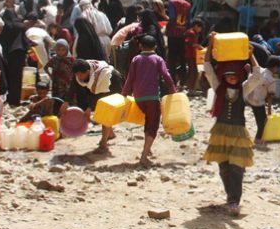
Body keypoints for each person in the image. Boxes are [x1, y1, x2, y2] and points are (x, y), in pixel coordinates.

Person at [202, 33, 256, 216]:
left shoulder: (244, 88)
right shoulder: (218, 87)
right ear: (223, 76)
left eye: (235, 76)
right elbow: (207, 65)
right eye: (228, 76)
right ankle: (230, 196)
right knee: (224, 167)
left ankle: (234, 200)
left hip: (239, 132)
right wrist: (210, 44)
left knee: (237, 167)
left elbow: (258, 75)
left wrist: (250, 55)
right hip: (221, 130)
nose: (232, 79)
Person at [122, 35, 177, 166]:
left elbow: (130, 78)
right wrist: (173, 90)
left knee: (148, 120)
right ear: (155, 47)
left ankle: (148, 149)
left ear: (140, 46)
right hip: (152, 96)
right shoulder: (158, 59)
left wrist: (124, 94)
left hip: (138, 97)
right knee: (153, 125)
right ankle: (144, 157)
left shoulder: (136, 59)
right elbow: (166, 75)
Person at [70, 59, 123, 153]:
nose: (79, 77)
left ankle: (103, 144)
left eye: (81, 75)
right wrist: (66, 101)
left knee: (105, 111)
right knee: (103, 111)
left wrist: (89, 108)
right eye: (77, 75)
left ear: (87, 72)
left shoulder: (102, 75)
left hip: (112, 83)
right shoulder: (81, 71)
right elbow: (73, 85)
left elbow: (99, 95)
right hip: (100, 89)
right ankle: (110, 134)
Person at [244, 55, 279, 145]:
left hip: (248, 98)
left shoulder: (259, 71)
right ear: (275, 67)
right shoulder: (271, 80)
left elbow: (250, 80)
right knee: (263, 121)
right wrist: (269, 109)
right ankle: (258, 139)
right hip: (258, 102)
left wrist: (248, 71)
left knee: (258, 118)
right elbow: (270, 96)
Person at [166, 0, 191, 87]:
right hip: (182, 35)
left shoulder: (172, 2)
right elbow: (189, 21)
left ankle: (173, 80)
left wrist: (167, 28)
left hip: (172, 34)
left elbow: (172, 18)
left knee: (172, 58)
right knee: (182, 58)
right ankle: (183, 80)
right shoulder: (188, 4)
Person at [183, 18, 205, 92]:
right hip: (190, 55)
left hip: (191, 55)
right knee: (193, 72)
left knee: (192, 71)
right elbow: (189, 43)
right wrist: (198, 46)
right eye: (200, 28)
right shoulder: (191, 33)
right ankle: (191, 89)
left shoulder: (193, 33)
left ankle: (188, 86)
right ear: (196, 26)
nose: (200, 30)